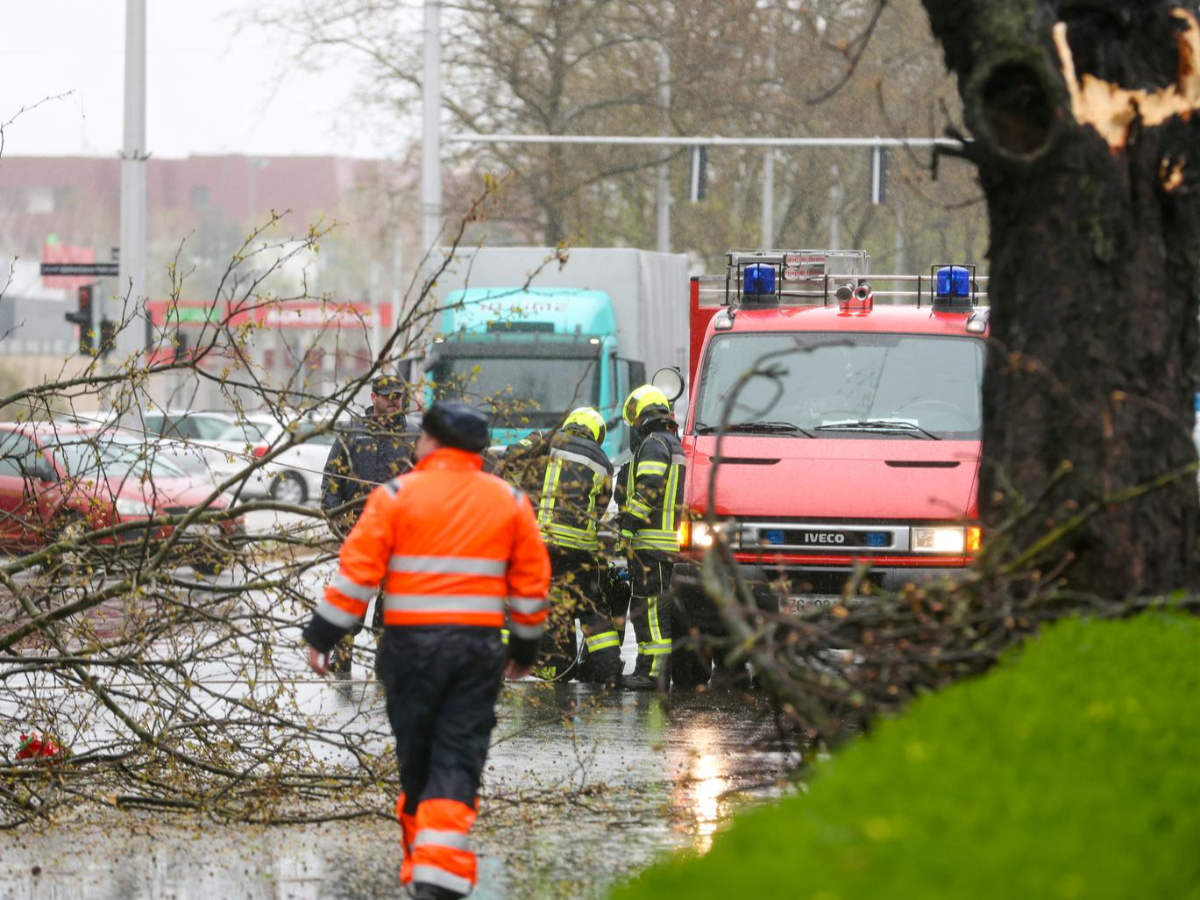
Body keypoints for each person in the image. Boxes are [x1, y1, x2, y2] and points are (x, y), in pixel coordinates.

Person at [304, 401, 551, 900]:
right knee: (457, 756)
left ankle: (431, 874)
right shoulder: (509, 501)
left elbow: (356, 577)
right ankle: (435, 873)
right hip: (475, 652)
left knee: (417, 760)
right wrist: (525, 647)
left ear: (433, 443)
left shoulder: (395, 496)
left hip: (410, 650)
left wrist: (321, 637)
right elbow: (530, 585)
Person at [503, 407, 620, 685]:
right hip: (580, 550)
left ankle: (509, 661)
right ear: (596, 433)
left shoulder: (547, 439)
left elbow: (510, 456)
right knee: (588, 608)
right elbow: (600, 508)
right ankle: (609, 670)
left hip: (540, 544)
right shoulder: (603, 462)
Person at [318, 373, 419, 673]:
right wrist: (339, 525)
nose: (393, 401)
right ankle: (343, 654)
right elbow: (331, 483)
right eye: (387, 395)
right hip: (358, 534)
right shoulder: (351, 432)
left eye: (398, 396)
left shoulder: (412, 437)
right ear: (373, 397)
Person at [615, 385, 686, 691]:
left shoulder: (655, 443)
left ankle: (653, 673)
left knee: (651, 612)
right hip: (663, 545)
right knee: (648, 611)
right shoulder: (672, 443)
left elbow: (650, 488)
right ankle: (648, 669)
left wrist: (628, 525)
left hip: (653, 546)